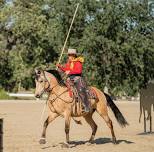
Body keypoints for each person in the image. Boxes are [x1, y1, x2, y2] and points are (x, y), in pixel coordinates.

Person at [56, 48, 90, 113]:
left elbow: (79, 71)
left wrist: (70, 72)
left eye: (70, 55)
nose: (69, 56)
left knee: (80, 90)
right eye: (68, 55)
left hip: (77, 78)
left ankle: (86, 106)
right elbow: (66, 69)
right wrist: (60, 66)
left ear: (74, 55)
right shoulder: (69, 62)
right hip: (69, 78)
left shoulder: (78, 62)